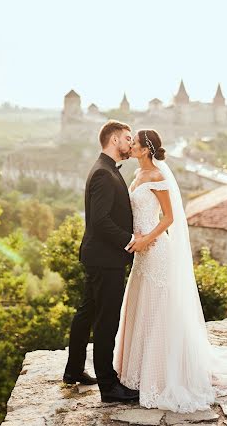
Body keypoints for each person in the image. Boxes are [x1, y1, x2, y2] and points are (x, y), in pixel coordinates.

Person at [114, 129, 227, 413]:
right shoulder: (137, 176)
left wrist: (146, 239)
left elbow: (168, 217)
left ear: (146, 149)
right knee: (142, 306)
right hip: (141, 254)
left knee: (159, 308)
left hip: (156, 251)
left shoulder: (157, 176)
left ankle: (163, 374)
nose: (129, 147)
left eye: (135, 144)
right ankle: (139, 370)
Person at [63, 120, 150, 403]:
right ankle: (109, 387)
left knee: (86, 312)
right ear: (114, 140)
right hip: (106, 259)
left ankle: (73, 370)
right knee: (106, 322)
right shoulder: (103, 173)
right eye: (127, 138)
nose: (130, 143)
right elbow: (100, 221)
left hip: (98, 256)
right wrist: (130, 240)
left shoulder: (105, 169)